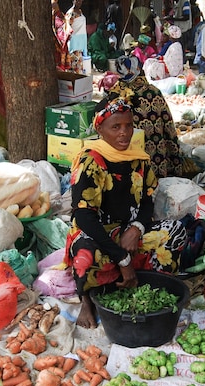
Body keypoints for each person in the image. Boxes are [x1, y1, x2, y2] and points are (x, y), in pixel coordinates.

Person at [64, 97, 187, 328]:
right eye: (116, 127)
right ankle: (87, 299)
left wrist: (136, 228)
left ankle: (150, 286)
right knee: (86, 255)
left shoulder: (138, 159)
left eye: (129, 126)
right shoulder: (89, 160)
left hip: (128, 231)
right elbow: (84, 217)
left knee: (176, 231)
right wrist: (122, 258)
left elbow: (147, 200)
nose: (124, 133)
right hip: (97, 233)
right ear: (99, 129)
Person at [109, 55, 184, 177]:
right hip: (155, 156)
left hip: (128, 154)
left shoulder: (116, 93)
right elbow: (168, 125)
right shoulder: (153, 92)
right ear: (139, 70)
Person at [65, 0, 88, 74]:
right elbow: (68, 28)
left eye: (80, 1)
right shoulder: (71, 13)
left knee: (80, 64)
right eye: (77, 0)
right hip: (74, 42)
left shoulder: (80, 12)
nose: (79, 2)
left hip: (81, 41)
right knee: (74, 65)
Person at [51, 1, 71, 71]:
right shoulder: (53, 16)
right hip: (56, 44)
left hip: (60, 43)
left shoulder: (60, 16)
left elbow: (63, 29)